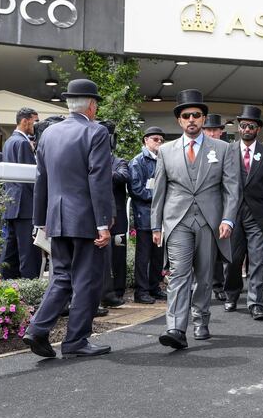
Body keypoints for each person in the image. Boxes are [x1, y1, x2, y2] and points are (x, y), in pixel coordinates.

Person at [24, 79, 113, 358]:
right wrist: (103, 223)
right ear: (92, 106)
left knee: (61, 276)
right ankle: (76, 341)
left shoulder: (48, 134)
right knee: (87, 279)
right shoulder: (96, 132)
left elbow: (41, 179)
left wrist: (40, 220)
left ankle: (37, 329)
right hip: (85, 219)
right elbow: (98, 178)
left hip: (56, 217)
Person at [151, 90, 239, 349]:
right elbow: (159, 191)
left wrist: (228, 219)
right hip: (177, 220)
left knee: (204, 275)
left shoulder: (223, 149)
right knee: (178, 273)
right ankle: (176, 327)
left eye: (196, 115)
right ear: (179, 120)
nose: (191, 119)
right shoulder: (166, 151)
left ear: (204, 119)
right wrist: (156, 225)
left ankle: (201, 318)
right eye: (186, 115)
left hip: (209, 221)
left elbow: (232, 188)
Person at [223, 105, 263, 320]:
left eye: (251, 126)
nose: (246, 129)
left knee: (258, 259)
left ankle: (256, 302)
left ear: (258, 128)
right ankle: (232, 294)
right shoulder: (228, 151)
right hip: (233, 215)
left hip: (258, 215)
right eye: (243, 125)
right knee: (234, 260)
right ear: (238, 127)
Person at [0, 108, 40, 280]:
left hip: (11, 204)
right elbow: (30, 177)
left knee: (11, 249)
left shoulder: (9, 142)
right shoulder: (22, 143)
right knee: (28, 253)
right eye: (35, 121)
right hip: (25, 204)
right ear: (25, 121)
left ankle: (6, 284)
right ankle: (29, 290)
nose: (37, 126)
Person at [129, 126, 167, 304]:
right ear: (146, 140)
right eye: (155, 139)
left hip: (160, 215)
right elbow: (136, 190)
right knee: (143, 256)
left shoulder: (162, 159)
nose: (159, 142)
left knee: (158, 254)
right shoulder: (138, 162)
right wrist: (159, 196)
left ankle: (154, 287)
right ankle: (141, 291)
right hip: (145, 215)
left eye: (161, 140)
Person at [98, 120, 130, 308]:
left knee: (118, 257)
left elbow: (123, 177)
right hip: (100, 216)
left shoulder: (119, 162)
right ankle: (104, 293)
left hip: (117, 217)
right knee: (102, 257)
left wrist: (101, 171)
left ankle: (118, 291)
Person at [203, 112, 228, 299]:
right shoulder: (196, 148)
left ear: (221, 132)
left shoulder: (227, 149)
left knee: (218, 247)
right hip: (198, 206)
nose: (211, 133)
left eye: (215, 130)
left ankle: (218, 285)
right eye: (208, 130)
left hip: (219, 205)